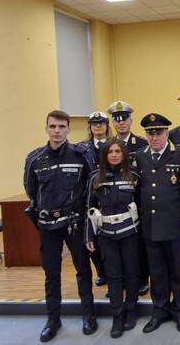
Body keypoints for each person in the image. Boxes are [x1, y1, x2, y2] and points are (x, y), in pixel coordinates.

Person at [23, 110, 97, 342]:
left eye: (62, 127)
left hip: (74, 222)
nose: (57, 131)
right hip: (48, 225)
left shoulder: (80, 155)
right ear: (46, 128)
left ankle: (89, 315)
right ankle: (53, 319)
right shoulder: (34, 158)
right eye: (53, 126)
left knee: (83, 270)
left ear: (68, 129)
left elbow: (90, 186)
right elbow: (31, 190)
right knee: (51, 273)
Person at [135, 113, 180, 334]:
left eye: (159, 132)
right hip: (150, 223)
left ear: (167, 132)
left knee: (178, 270)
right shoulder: (139, 156)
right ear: (146, 135)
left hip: (175, 223)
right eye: (150, 133)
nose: (155, 136)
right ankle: (159, 310)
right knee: (156, 271)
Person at [85, 139, 141, 338]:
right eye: (110, 152)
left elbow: (141, 206)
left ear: (124, 154)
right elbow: (89, 209)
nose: (115, 155)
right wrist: (88, 236)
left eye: (118, 151)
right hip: (106, 235)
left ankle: (131, 310)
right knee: (113, 275)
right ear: (105, 155)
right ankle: (117, 315)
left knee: (132, 272)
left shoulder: (134, 176)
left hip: (130, 233)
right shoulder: (95, 178)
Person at [107, 100, 150, 297]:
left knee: (138, 246)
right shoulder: (109, 146)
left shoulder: (141, 144)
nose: (121, 123)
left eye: (124, 119)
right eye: (117, 120)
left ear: (131, 120)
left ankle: (141, 279)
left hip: (137, 201)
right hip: (115, 204)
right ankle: (119, 281)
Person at [78, 111, 110, 287]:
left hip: (109, 198)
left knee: (109, 238)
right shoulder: (82, 149)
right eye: (94, 123)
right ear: (89, 127)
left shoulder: (115, 146)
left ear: (107, 126)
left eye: (101, 123)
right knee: (92, 239)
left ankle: (111, 271)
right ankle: (101, 272)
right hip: (90, 198)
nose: (98, 126)